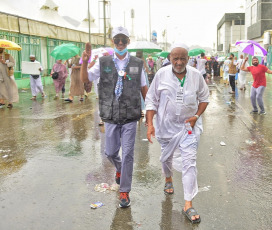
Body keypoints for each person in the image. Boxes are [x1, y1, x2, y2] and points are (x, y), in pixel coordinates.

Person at [80, 26, 148, 208]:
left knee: (128, 154)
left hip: (130, 115)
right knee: (110, 152)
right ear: (112, 41)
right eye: (117, 40)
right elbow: (85, 79)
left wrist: (149, 110)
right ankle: (119, 170)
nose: (120, 43)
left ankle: (124, 190)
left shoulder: (136, 63)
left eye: (123, 40)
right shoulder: (103, 62)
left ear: (128, 42)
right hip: (110, 114)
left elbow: (143, 88)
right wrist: (85, 62)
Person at [145, 43, 209, 224]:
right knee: (166, 159)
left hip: (188, 128)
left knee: (189, 162)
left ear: (188, 59)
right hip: (166, 127)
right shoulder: (161, 75)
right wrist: (150, 124)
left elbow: (204, 98)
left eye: (183, 58)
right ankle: (168, 178)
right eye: (176, 58)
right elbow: (151, 100)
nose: (179, 62)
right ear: (169, 59)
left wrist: (196, 116)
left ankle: (188, 203)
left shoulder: (196, 76)